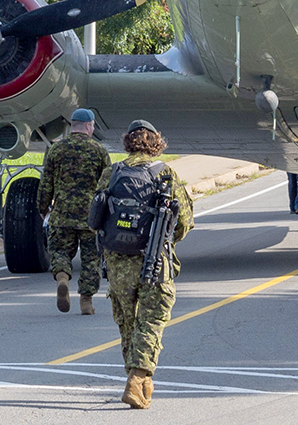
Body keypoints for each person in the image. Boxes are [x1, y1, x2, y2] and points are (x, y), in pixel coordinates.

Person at [104, 119, 194, 409]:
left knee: (129, 322)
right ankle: (137, 377)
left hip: (117, 261)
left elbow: (95, 217)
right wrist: (168, 240)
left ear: (127, 142)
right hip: (152, 259)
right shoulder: (164, 173)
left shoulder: (111, 172)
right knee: (153, 319)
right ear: (156, 143)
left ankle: (140, 382)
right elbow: (183, 221)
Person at [38, 108, 111, 315]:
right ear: (88, 126)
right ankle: (86, 302)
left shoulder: (56, 150)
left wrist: (43, 208)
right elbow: (107, 186)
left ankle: (62, 277)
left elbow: (46, 184)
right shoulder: (99, 151)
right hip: (91, 218)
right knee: (91, 259)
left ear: (72, 126)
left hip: (62, 215)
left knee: (60, 252)